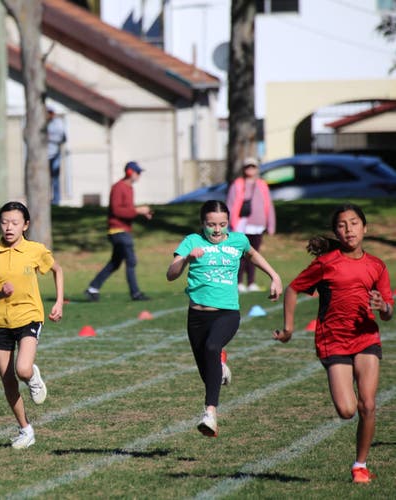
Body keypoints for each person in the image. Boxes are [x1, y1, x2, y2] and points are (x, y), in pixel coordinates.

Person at [274, 203, 392, 484]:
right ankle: (359, 461)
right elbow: (293, 288)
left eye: (353, 223)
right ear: (336, 231)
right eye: (342, 224)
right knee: (347, 410)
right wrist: (289, 328)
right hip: (333, 341)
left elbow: (387, 313)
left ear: (365, 228)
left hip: (366, 337)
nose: (348, 229)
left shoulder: (377, 265)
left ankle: (360, 466)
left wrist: (382, 306)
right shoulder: (327, 263)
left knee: (368, 405)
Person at [167, 200, 282, 437]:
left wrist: (274, 276)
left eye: (222, 224)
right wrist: (187, 258)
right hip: (197, 316)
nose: (217, 230)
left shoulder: (238, 240)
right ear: (203, 224)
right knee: (207, 373)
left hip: (227, 313)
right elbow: (171, 274)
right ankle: (219, 364)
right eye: (211, 225)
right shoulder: (192, 241)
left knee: (212, 346)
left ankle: (210, 414)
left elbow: (253, 255)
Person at [0, 201, 64, 449]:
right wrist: (0, 293)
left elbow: (57, 270)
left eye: (14, 222)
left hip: (29, 316)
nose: (9, 227)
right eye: (4, 222)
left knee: (22, 370)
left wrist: (58, 303)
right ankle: (25, 430)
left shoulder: (35, 250)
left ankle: (32, 375)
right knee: (7, 380)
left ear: (25, 225)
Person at [85, 161, 153, 301]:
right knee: (131, 261)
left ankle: (93, 288)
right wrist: (137, 211)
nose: (139, 175)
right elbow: (117, 211)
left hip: (124, 230)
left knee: (115, 263)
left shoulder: (129, 188)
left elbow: (127, 210)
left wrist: (139, 212)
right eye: (137, 172)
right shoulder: (118, 187)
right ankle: (135, 293)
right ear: (130, 172)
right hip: (118, 231)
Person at [226, 157, 276, 292]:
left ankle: (251, 282)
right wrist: (231, 223)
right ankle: (239, 282)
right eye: (248, 167)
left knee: (255, 254)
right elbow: (230, 204)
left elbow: (268, 205)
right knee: (241, 254)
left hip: (258, 225)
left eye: (253, 167)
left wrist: (271, 224)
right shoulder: (237, 184)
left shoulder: (262, 185)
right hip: (242, 225)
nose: (250, 170)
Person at [47, 107, 67, 206]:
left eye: (51, 113)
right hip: (43, 156)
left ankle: (56, 200)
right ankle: (45, 200)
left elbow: (62, 138)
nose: (49, 115)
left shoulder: (58, 123)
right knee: (44, 179)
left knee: (55, 178)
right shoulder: (40, 123)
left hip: (55, 154)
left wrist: (48, 137)